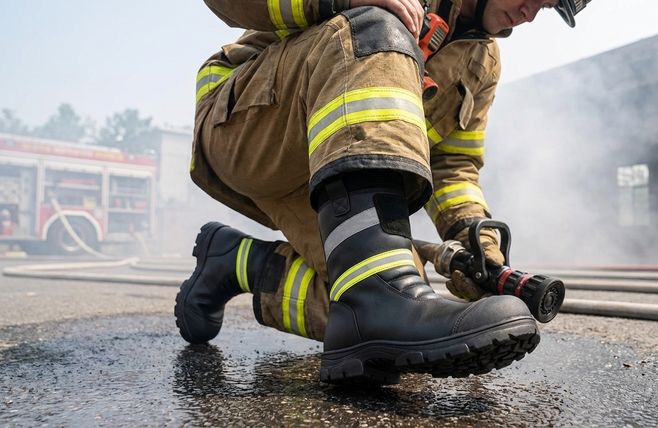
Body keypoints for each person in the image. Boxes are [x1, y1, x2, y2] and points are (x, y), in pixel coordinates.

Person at [177, 0, 591, 384]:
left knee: (372, 303)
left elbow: (453, 165)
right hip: (247, 127)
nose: (531, 14)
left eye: (549, 7)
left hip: (333, 174)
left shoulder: (482, 63)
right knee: (375, 33)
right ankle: (378, 295)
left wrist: (477, 244)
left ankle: (236, 263)